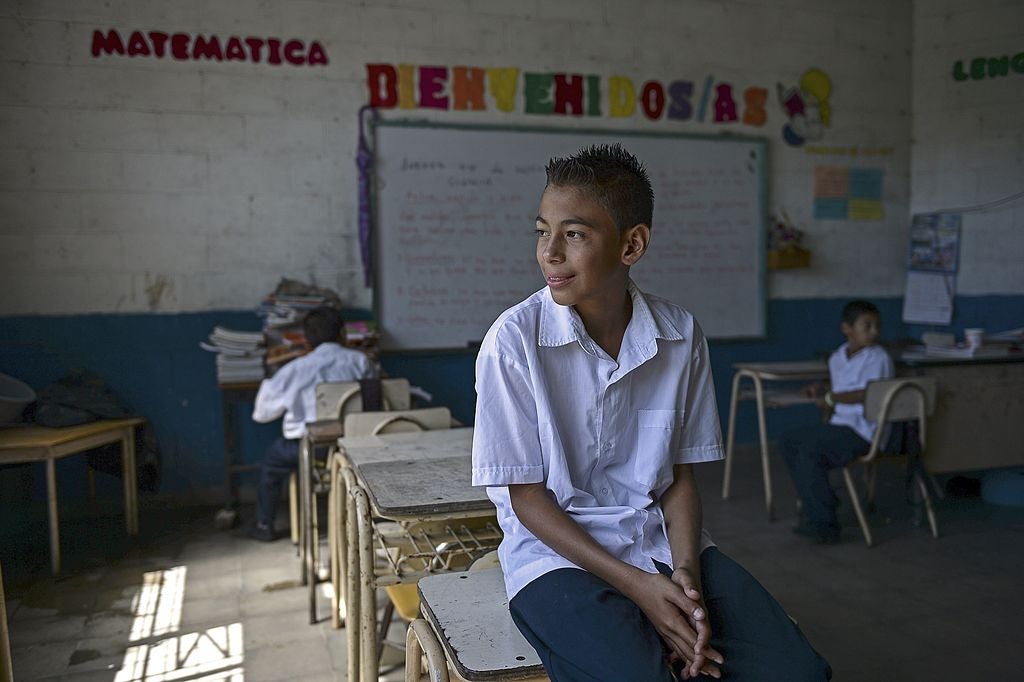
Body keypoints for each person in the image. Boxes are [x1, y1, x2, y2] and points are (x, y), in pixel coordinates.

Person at [471, 144, 830, 681]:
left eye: (573, 234)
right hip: (557, 557)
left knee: (797, 671)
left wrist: (686, 578)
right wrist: (639, 589)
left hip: (658, 541)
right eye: (541, 231)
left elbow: (678, 479)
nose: (549, 252)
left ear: (631, 245)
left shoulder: (680, 335)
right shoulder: (513, 343)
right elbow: (526, 498)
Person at [249, 306, 374, 541]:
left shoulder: (294, 369)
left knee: (271, 463)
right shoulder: (361, 361)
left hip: (307, 450)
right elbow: (375, 401)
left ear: (306, 339)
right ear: (343, 334)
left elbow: (261, 413)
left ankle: (264, 524)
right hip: (354, 447)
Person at [779, 300, 894, 545]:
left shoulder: (878, 357)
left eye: (877, 326)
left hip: (864, 431)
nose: (875, 331)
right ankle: (821, 503)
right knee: (788, 442)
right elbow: (841, 387)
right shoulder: (838, 357)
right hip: (840, 425)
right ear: (847, 328)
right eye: (867, 326)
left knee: (811, 450)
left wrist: (830, 397)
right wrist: (821, 389)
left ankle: (825, 524)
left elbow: (867, 393)